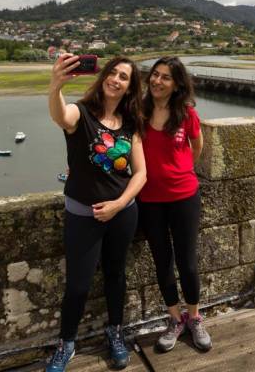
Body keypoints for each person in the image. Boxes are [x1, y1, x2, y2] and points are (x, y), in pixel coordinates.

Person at [46, 54, 147, 372]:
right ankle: (66, 344)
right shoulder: (82, 113)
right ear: (103, 76)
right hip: (82, 216)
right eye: (113, 73)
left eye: (124, 77)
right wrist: (55, 85)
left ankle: (115, 332)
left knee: (116, 276)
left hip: (122, 213)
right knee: (78, 285)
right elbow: (61, 116)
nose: (116, 79)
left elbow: (140, 174)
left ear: (130, 87)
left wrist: (119, 204)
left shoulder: (131, 124)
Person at [137, 56, 212, 353]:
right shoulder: (138, 112)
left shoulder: (186, 114)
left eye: (165, 77)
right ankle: (174, 319)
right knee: (162, 262)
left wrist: (180, 173)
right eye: (155, 75)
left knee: (187, 262)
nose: (157, 81)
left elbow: (198, 146)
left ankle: (194, 317)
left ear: (177, 83)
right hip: (150, 199)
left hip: (184, 197)